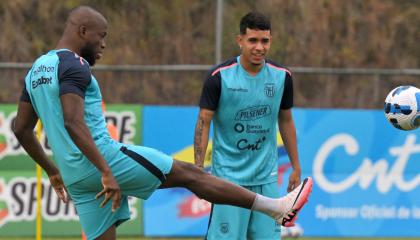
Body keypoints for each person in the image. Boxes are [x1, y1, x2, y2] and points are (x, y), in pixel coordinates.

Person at [13, 6, 312, 240]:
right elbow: (72, 121)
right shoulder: (74, 64)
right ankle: (275, 208)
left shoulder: (36, 70)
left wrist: (53, 170)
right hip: (103, 162)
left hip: (75, 178)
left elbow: (21, 129)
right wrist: (106, 170)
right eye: (101, 36)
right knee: (191, 175)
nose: (103, 44)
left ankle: (274, 208)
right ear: (82, 31)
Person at [194, 11, 303, 239]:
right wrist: (198, 171)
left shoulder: (282, 77)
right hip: (227, 181)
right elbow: (203, 121)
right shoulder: (219, 77)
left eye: (265, 41)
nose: (259, 47)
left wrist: (295, 165)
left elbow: (286, 120)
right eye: (253, 40)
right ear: (240, 40)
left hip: (267, 180)